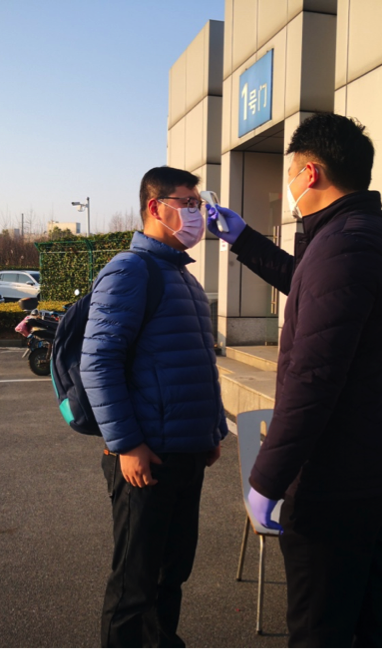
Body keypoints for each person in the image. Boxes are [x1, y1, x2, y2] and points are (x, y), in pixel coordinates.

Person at [207, 113, 382, 648]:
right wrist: (244, 238)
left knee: (321, 628)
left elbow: (312, 380)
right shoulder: (372, 232)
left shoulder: (342, 245)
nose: (290, 187)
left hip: (335, 482)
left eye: (291, 173)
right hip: (376, 465)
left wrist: (266, 480)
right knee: (378, 615)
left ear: (312, 172)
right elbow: (308, 283)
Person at [81, 166, 228, 649]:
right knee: (134, 583)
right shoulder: (130, 270)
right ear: (154, 207)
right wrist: (127, 444)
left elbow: (197, 362)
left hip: (185, 452)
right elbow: (99, 361)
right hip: (145, 457)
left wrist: (211, 432)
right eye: (188, 204)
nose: (197, 214)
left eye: (198, 205)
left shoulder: (181, 275)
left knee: (172, 573)